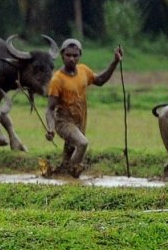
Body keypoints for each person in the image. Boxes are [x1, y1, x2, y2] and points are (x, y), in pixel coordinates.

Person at [44, 39, 123, 178]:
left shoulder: (84, 71)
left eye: (75, 55)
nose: (71, 59)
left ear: (80, 55)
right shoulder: (57, 80)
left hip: (80, 121)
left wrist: (115, 61)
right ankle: (70, 176)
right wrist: (50, 128)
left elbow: (100, 80)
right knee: (82, 143)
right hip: (64, 122)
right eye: (68, 55)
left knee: (70, 152)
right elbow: (50, 108)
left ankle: (60, 175)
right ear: (62, 55)